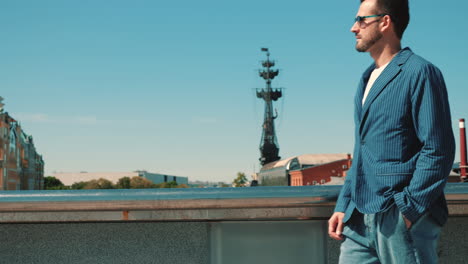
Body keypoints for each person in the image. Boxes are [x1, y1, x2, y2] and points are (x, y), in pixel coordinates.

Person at [328, 0, 455, 263]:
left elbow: (438, 148)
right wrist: (344, 204)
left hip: (398, 217)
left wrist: (408, 210)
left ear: (385, 22)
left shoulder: (419, 72)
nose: (354, 28)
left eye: (362, 19)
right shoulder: (366, 79)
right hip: (358, 221)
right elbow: (362, 151)